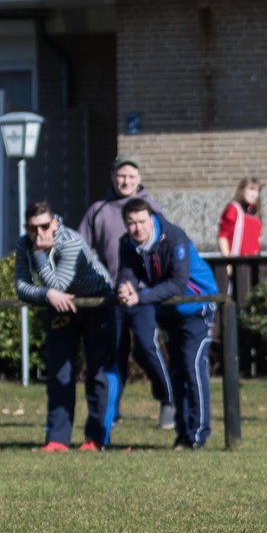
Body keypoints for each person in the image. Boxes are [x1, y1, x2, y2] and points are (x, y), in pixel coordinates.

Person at [13, 201, 119, 452]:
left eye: (44, 226)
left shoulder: (70, 241)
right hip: (60, 305)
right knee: (59, 371)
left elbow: (58, 283)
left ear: (55, 223)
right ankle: (58, 440)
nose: (39, 234)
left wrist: (39, 257)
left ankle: (97, 438)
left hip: (97, 302)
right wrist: (47, 296)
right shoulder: (23, 243)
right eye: (32, 228)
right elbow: (21, 287)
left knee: (97, 373)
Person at [79, 156, 175, 430]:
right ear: (112, 177)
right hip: (111, 294)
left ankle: (168, 401)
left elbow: (167, 245)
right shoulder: (99, 210)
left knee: (147, 346)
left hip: (144, 294)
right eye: (121, 176)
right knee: (114, 353)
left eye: (131, 176)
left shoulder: (151, 209)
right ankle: (113, 411)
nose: (126, 181)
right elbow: (80, 249)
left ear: (139, 178)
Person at [116, 198, 219, 449]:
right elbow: (128, 273)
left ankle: (198, 434)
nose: (137, 228)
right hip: (169, 312)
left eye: (142, 221)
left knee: (192, 367)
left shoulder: (174, 238)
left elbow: (178, 283)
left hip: (197, 306)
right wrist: (124, 288)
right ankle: (183, 433)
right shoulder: (126, 244)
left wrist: (139, 297)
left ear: (151, 219)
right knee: (177, 371)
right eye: (131, 223)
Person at [216, 176, 263, 257]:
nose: (254, 194)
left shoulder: (256, 214)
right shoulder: (234, 209)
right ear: (242, 190)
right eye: (251, 189)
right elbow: (222, 237)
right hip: (238, 262)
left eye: (257, 191)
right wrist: (228, 262)